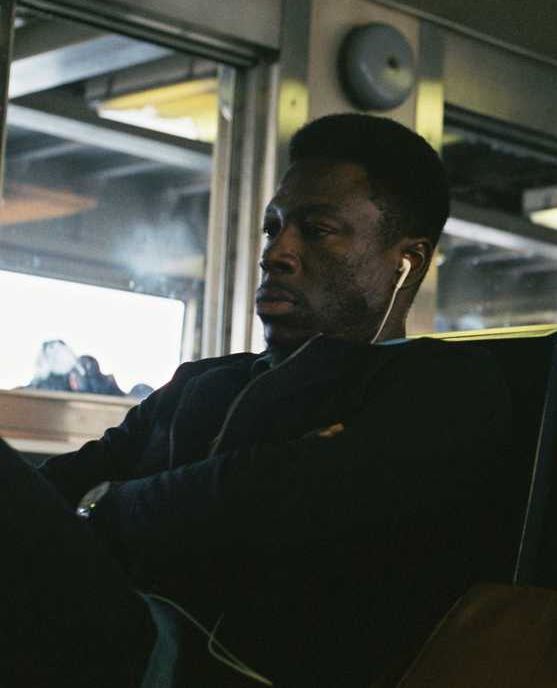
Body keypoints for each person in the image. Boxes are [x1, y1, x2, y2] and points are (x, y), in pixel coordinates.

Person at [1, 114, 515, 687]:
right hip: (109, 628)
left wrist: (105, 506)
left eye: (317, 230)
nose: (277, 253)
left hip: (210, 667)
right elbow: (56, 492)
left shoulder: (440, 384)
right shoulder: (200, 382)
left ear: (406, 261)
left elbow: (278, 499)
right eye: (274, 229)